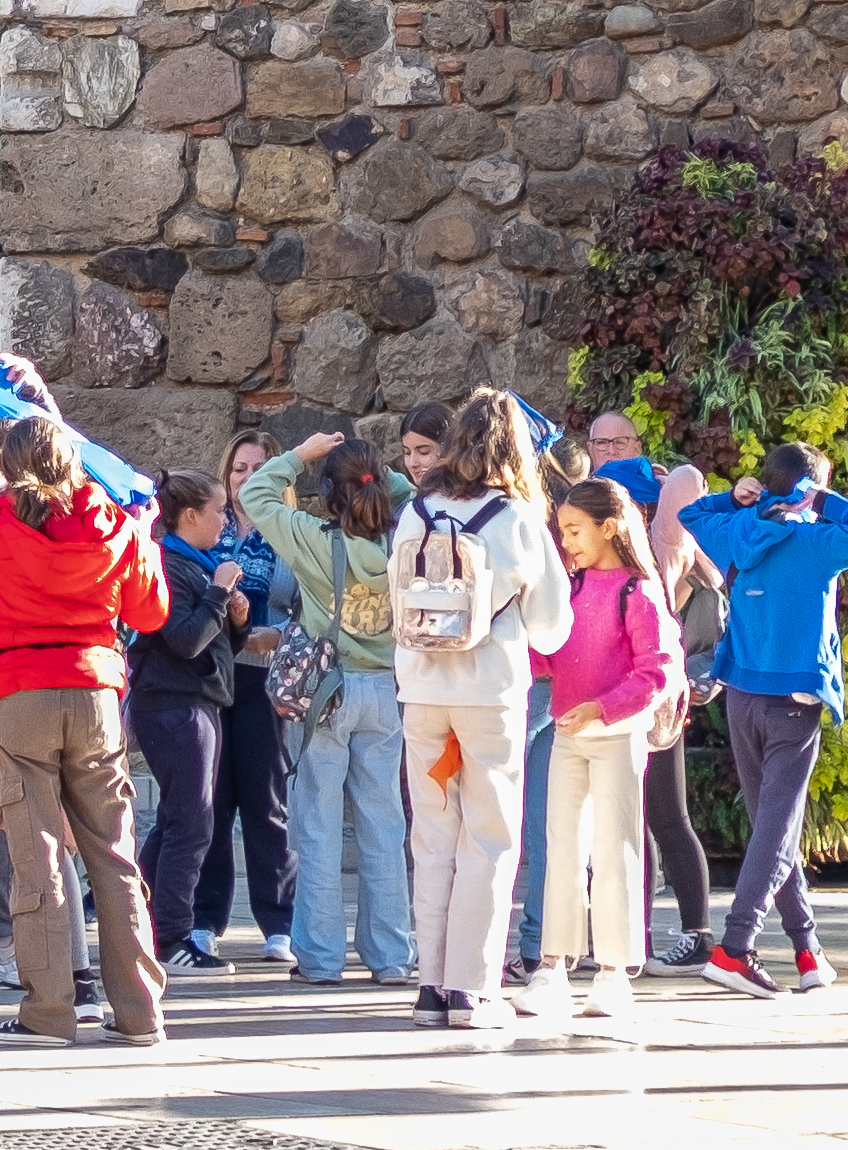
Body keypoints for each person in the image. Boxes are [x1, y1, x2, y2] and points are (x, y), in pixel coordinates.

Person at [0, 384, 168, 1053]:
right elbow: (150, 614)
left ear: (14, 471)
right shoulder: (117, 526)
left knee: (36, 851)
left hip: (19, 695)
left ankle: (48, 1012)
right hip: (97, 693)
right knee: (114, 854)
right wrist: (147, 535)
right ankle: (138, 1012)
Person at [675, 442, 848, 996]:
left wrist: (737, 498)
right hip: (792, 700)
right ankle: (736, 948)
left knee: (770, 830)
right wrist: (825, 501)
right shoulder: (816, 541)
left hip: (742, 697)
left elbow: (692, 514)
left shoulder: (734, 530)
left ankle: (806, 949)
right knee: (777, 830)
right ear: (808, 489)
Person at [388, 393, 555, 1039]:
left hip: (421, 691)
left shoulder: (418, 509)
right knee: (488, 837)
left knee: (432, 835)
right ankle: (472, 986)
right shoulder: (514, 517)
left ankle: (430, 983)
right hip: (489, 693)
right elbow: (551, 624)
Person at [257, 428, 412, 985]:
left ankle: (321, 959)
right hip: (386, 690)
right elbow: (406, 492)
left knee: (317, 827)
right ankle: (391, 955)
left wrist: (302, 454)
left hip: (327, 691)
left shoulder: (311, 538)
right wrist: (374, 468)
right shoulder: (406, 539)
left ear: (329, 493)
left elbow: (257, 495)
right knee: (384, 824)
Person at [525, 475, 674, 1035]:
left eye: (574, 530)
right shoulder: (570, 587)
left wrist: (601, 709)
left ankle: (613, 970)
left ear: (609, 528)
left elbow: (654, 671)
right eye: (562, 531)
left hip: (615, 736)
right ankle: (552, 966)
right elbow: (550, 655)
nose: (566, 542)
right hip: (569, 734)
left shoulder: (638, 591)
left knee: (615, 849)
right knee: (561, 847)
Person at [575, 403, 718, 957]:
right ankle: (630, 935)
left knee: (663, 811)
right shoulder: (584, 514)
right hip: (600, 684)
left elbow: (681, 580)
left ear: (638, 447)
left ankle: (697, 932)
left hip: (654, 685)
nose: (610, 453)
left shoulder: (668, 508)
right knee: (616, 817)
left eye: (620, 443)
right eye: (600, 444)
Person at [123, 468, 249, 978]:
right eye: (218, 509)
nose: (225, 519)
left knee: (181, 820)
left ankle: (147, 925)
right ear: (190, 515)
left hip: (197, 702)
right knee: (192, 824)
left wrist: (234, 621)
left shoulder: (195, 565)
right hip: (174, 706)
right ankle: (173, 937)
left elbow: (213, 648)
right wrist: (218, 596)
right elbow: (183, 641)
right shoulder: (172, 564)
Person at [171, 459, 295, 963]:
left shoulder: (291, 534)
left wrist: (279, 637)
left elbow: (313, 610)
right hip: (211, 677)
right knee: (211, 802)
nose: (246, 477)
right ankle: (204, 920)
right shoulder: (207, 532)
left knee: (267, 803)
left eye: (259, 467)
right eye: (238, 467)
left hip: (265, 678)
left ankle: (279, 924)